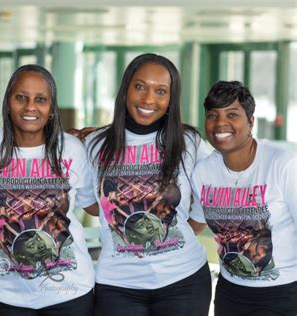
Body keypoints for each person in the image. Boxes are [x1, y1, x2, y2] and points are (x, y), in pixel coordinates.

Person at [84, 53, 212, 316]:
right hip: (117, 285)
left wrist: (186, 225)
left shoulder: (189, 142)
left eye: (160, 91)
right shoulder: (94, 145)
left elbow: (212, 191)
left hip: (184, 282)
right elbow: (92, 206)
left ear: (171, 99)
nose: (148, 99)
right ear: (126, 89)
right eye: (140, 86)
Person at [0, 64, 98, 315]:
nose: (30, 107)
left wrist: (102, 141)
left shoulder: (71, 148)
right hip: (9, 295)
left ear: (51, 108)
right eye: (21, 98)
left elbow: (93, 205)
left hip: (71, 292)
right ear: (8, 102)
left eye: (40, 99)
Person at [189, 80, 297, 315]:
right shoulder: (203, 172)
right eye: (212, 115)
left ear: (251, 122)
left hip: (282, 292)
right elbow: (195, 223)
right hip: (230, 293)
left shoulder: (283, 165)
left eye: (232, 114)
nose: (220, 123)